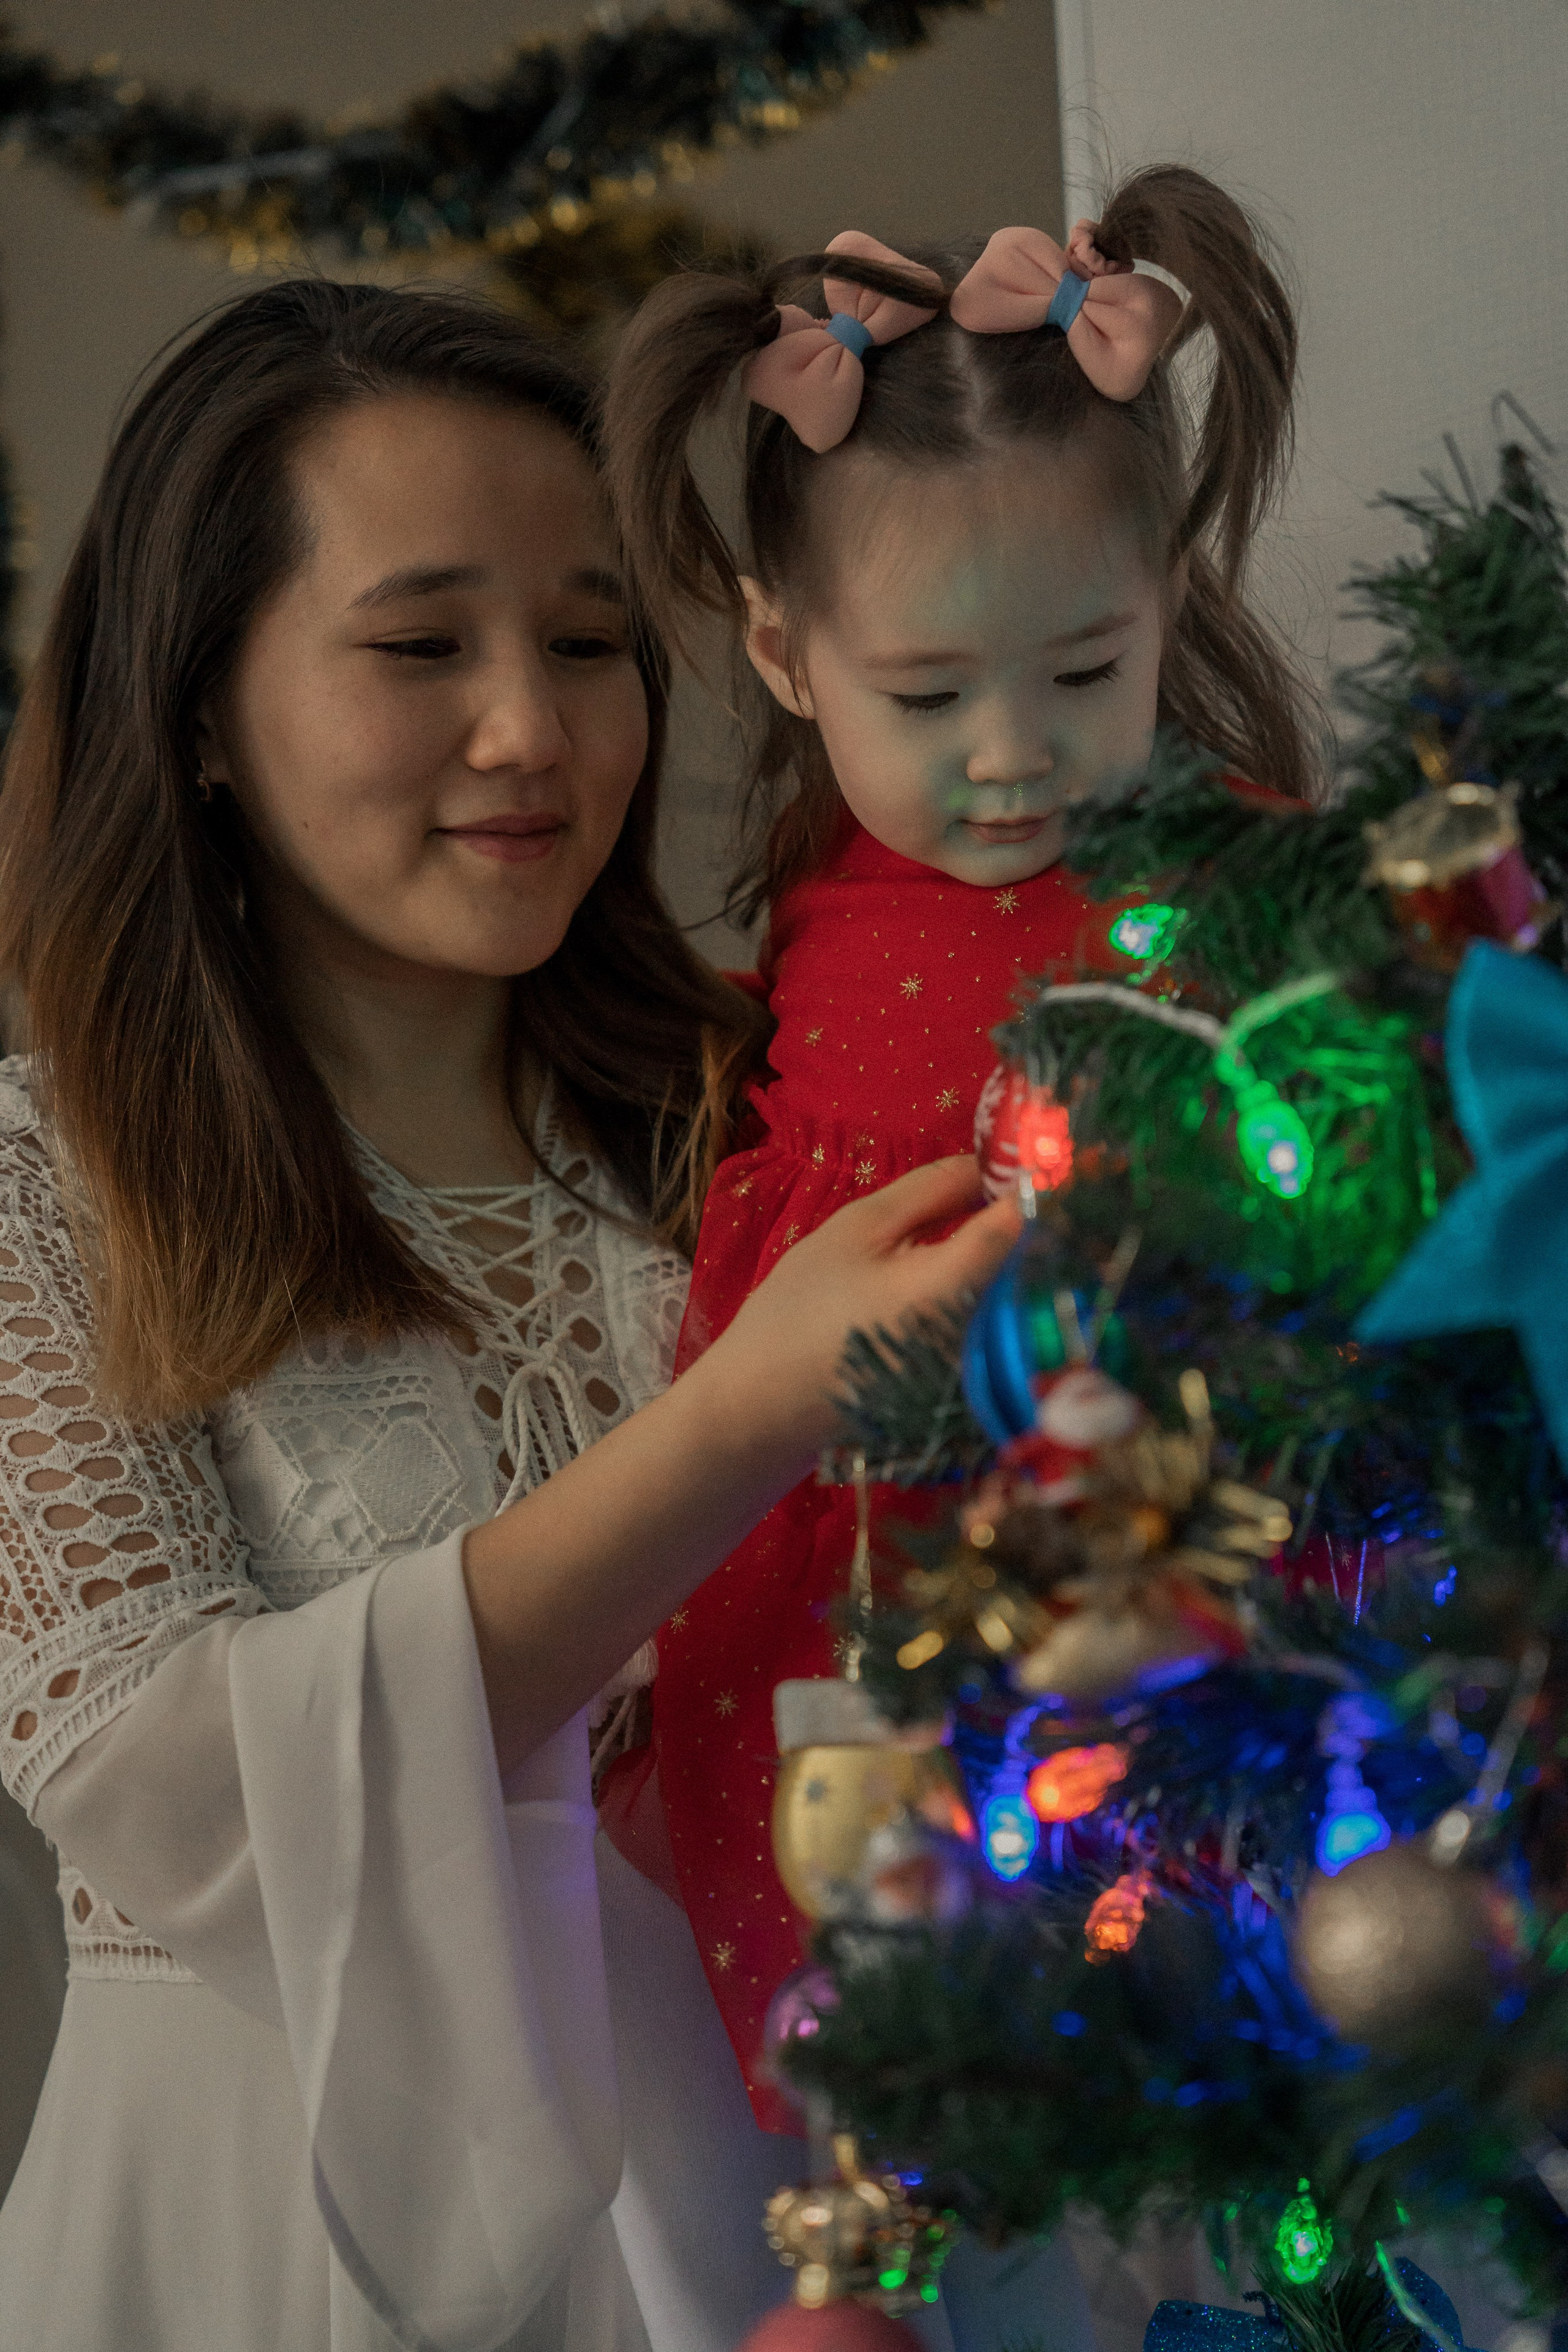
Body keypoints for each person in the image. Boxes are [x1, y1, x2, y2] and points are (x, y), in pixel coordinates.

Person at [0, 279, 1025, 2352]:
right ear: (200, 703)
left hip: (800, 2194)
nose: (531, 731)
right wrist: (740, 1418)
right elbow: (161, 1772)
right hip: (279, 2228)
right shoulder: (47, 1180)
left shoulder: (763, 1109)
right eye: (417, 644)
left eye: (585, 642)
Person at [601, 165, 1317, 2127]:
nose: (1012, 753)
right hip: (878, 1584)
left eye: (1085, 671)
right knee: (952, 2107)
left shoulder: (1244, 884)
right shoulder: (816, 913)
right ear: (779, 650)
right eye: (927, 693)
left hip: (1201, 1527)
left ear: (1168, 601)